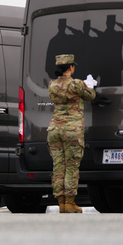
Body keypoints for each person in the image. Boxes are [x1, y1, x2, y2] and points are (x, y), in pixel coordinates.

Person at [48, 54, 96, 214]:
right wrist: (90, 85)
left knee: (58, 166)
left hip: (54, 130)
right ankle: (69, 203)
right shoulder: (76, 84)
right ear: (71, 67)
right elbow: (90, 95)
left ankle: (61, 202)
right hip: (71, 131)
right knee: (71, 166)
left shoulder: (52, 85)